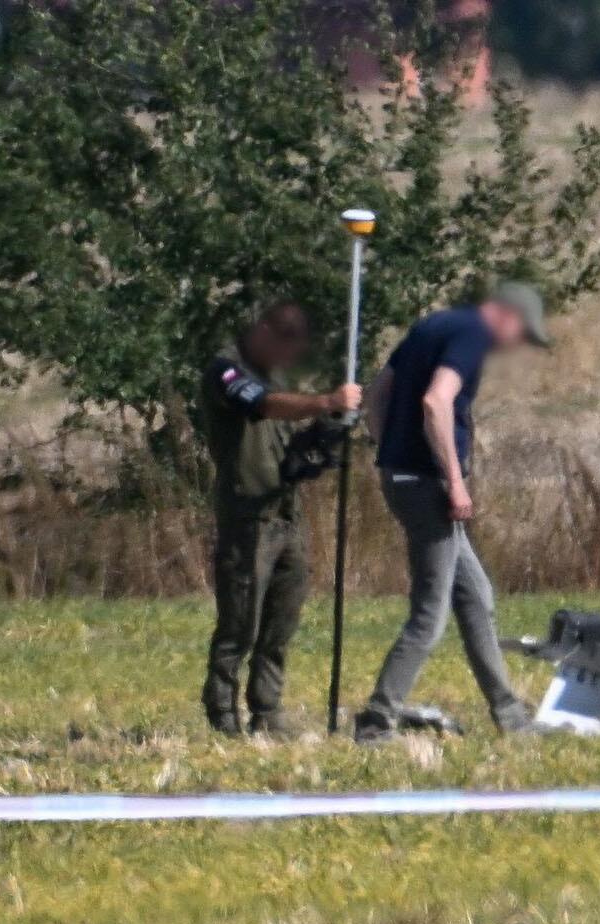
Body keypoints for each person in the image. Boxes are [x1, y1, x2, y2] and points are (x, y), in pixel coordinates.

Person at [353, 283, 553, 742]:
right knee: (431, 613)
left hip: (403, 478)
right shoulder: (471, 335)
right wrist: (455, 482)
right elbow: (436, 401)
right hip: (430, 486)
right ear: (507, 317)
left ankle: (510, 716)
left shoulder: (434, 325)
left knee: (476, 596)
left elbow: (376, 395)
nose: (514, 345)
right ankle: (377, 721)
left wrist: (390, 451)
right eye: (521, 334)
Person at [200, 303, 362, 736]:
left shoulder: (277, 379)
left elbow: (289, 446)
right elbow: (263, 406)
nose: (290, 358)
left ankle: (267, 711)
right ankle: (223, 714)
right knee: (241, 623)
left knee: (281, 621)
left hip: (287, 513)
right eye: (287, 346)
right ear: (265, 333)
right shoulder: (227, 371)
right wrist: (325, 400)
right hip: (248, 517)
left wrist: (328, 428)